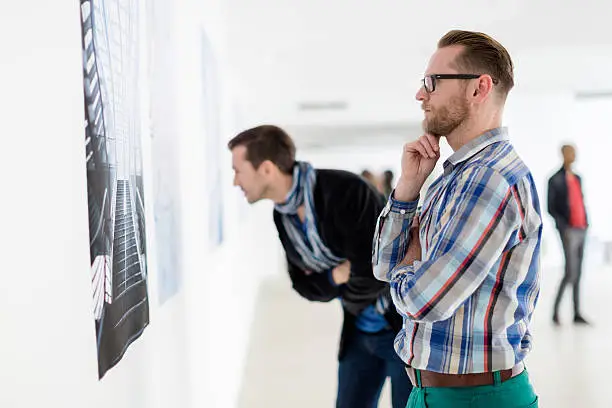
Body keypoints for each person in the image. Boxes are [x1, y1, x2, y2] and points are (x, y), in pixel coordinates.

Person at [372, 30, 542, 407]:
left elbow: (424, 301)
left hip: (475, 398)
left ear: (479, 88)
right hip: (436, 392)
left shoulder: (490, 179)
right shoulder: (452, 177)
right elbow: (384, 267)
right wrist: (407, 191)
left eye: (433, 82)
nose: (421, 94)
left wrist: (411, 264)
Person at [228, 125, 411, 408]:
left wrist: (334, 281)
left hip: (401, 330)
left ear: (266, 169)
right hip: (359, 332)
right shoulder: (283, 216)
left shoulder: (346, 190)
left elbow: (378, 271)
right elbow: (304, 285)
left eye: (238, 170)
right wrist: (340, 273)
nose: (235, 181)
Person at [547, 144, 590, 325]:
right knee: (570, 272)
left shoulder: (578, 178)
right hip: (568, 231)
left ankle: (576, 313)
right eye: (571, 152)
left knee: (578, 272)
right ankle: (555, 312)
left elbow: (580, 201)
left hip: (582, 228)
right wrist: (563, 227)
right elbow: (551, 208)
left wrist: (586, 222)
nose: (574, 155)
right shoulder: (554, 180)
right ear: (564, 154)